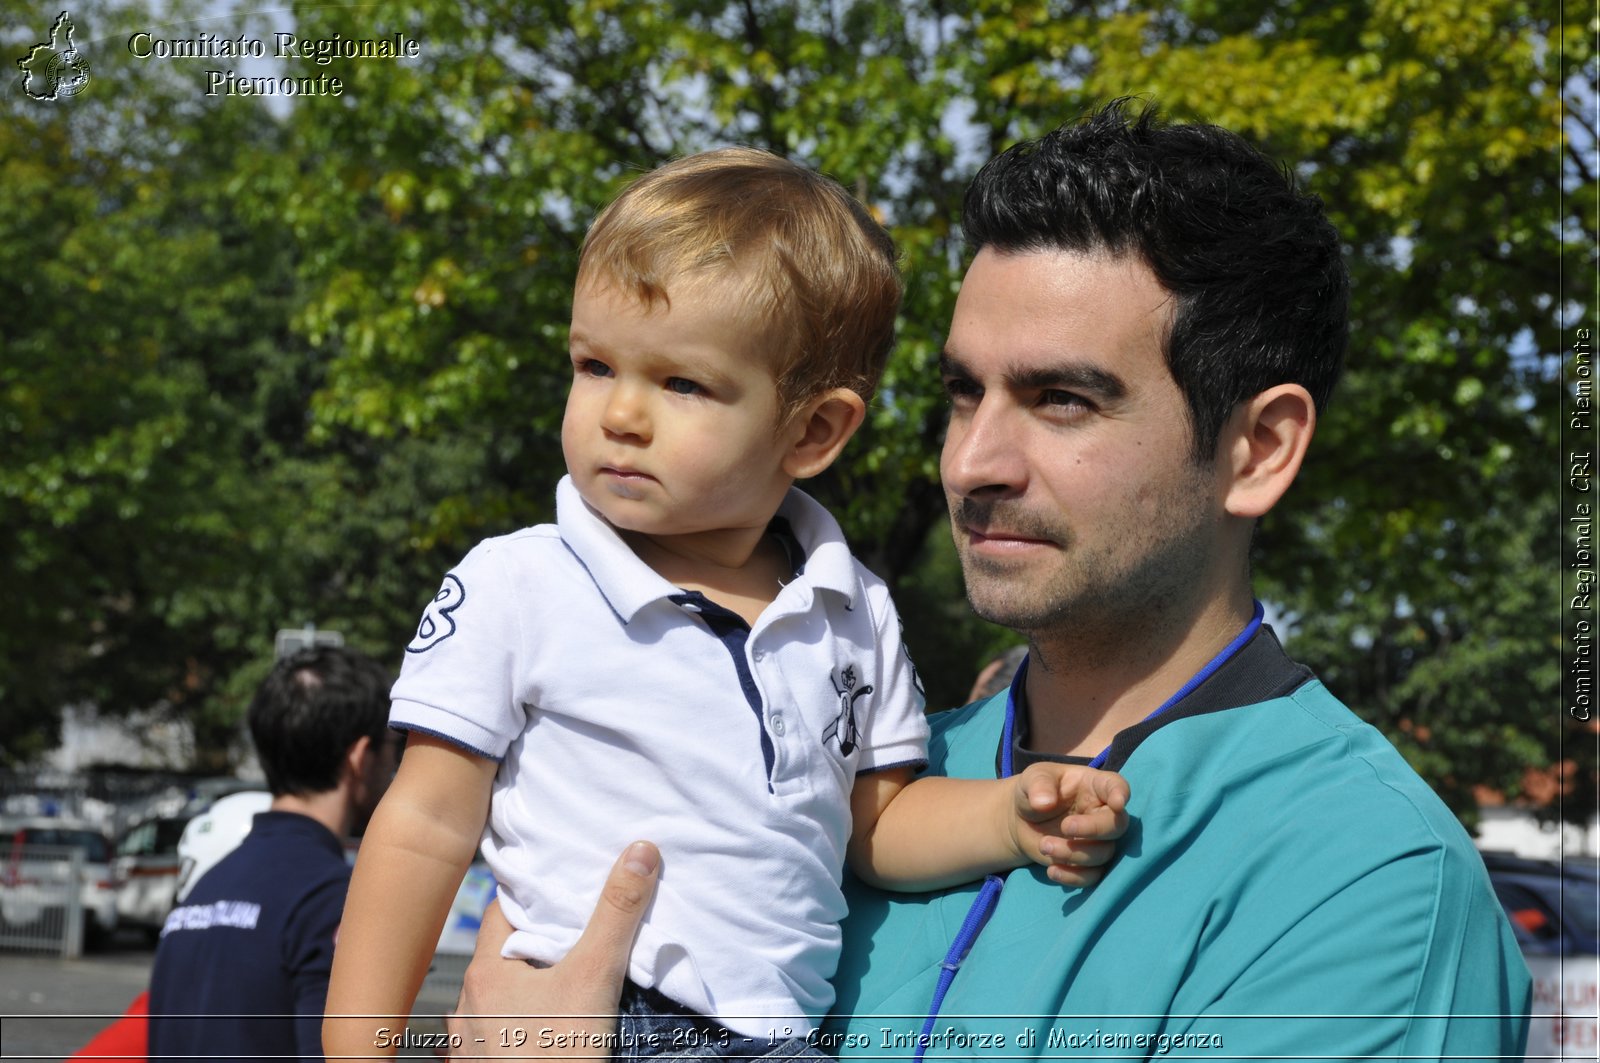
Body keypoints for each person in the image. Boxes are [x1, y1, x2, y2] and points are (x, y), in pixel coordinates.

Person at [444, 100, 1533, 1059]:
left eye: (1063, 399)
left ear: (1257, 450)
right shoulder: (864, 786)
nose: (972, 462)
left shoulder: (1364, 882)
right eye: (966, 395)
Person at [324, 148, 1129, 1061]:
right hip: (601, 1013)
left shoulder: (853, 608)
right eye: (594, 364)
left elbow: (875, 823)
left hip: (784, 1034)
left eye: (681, 383)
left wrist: (1006, 817)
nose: (620, 413)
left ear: (813, 429)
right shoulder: (522, 580)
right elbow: (426, 822)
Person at [146, 645, 399, 1063]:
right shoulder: (333, 901)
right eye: (393, 747)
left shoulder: (201, 893)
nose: (395, 765)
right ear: (359, 756)